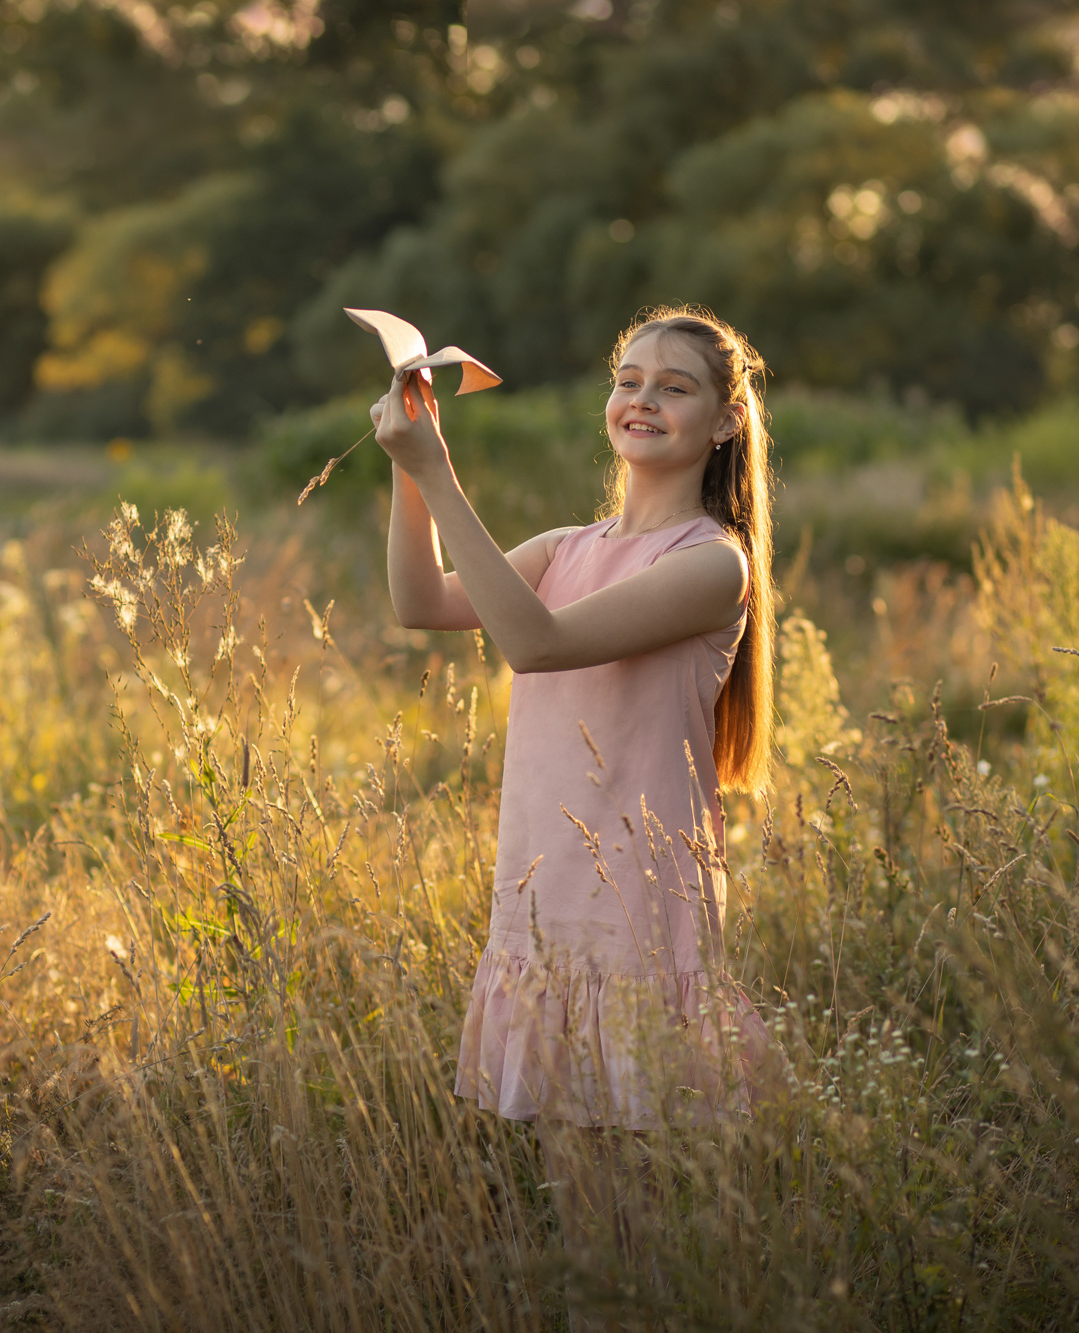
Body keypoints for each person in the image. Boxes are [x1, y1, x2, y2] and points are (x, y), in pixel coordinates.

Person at [370, 305, 777, 1327]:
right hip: (547, 895)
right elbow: (418, 600)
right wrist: (406, 464)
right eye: (627, 379)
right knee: (578, 1201)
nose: (640, 399)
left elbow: (535, 644)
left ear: (724, 422)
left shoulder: (709, 561)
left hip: (635, 905)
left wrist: (439, 475)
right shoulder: (567, 543)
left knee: (627, 1218)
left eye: (672, 386)